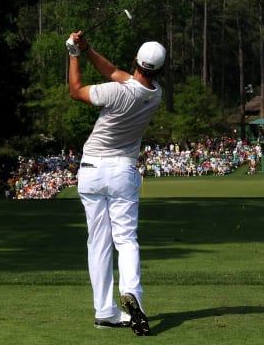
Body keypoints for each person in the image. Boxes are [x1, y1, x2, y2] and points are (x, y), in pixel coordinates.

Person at [67, 31, 165, 336]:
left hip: (91, 170)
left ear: (136, 61)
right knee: (125, 239)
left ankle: (105, 312)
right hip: (122, 171)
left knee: (98, 243)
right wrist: (88, 49)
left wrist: (73, 54)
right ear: (158, 70)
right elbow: (112, 71)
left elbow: (76, 90)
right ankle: (132, 294)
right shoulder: (155, 92)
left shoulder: (115, 92)